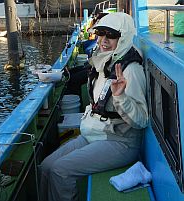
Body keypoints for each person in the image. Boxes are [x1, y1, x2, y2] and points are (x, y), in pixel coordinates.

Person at [39, 12, 148, 201]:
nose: (103, 40)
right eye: (100, 34)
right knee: (46, 166)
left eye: (111, 35)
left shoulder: (131, 70)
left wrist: (120, 96)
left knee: (60, 171)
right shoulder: (104, 60)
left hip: (120, 141)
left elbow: (141, 120)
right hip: (95, 133)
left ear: (123, 37)